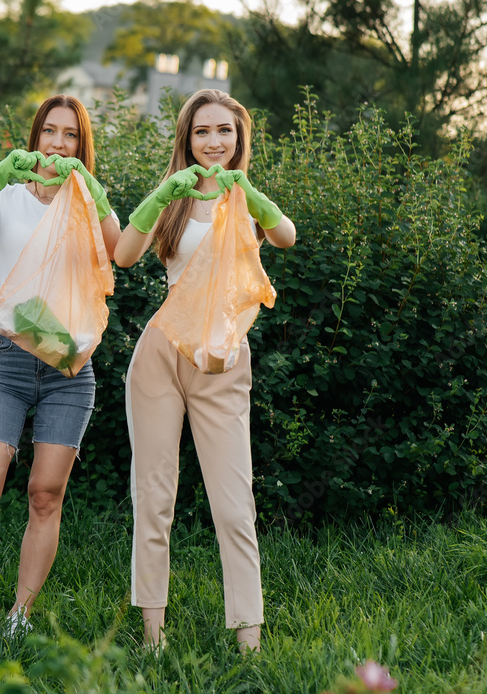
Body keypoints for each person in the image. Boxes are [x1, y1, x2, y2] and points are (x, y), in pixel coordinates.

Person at [113, 89, 297, 653]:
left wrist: (253, 195)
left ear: (239, 138)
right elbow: (123, 255)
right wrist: (162, 193)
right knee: (154, 497)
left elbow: (286, 236)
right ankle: (152, 637)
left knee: (234, 504)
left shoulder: (246, 201)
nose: (213, 142)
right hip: (161, 356)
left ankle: (249, 641)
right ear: (186, 141)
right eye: (202, 132)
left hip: (221, 362)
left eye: (224, 131)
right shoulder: (172, 199)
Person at [0, 94, 121, 638]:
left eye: (70, 136)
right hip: (6, 363)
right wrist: (0, 171)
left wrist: (93, 189)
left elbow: (118, 251)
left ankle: (20, 615)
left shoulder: (85, 201)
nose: (58, 144)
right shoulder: (9, 196)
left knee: (45, 494)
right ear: (35, 137)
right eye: (50, 132)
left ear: (80, 147)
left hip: (69, 371)